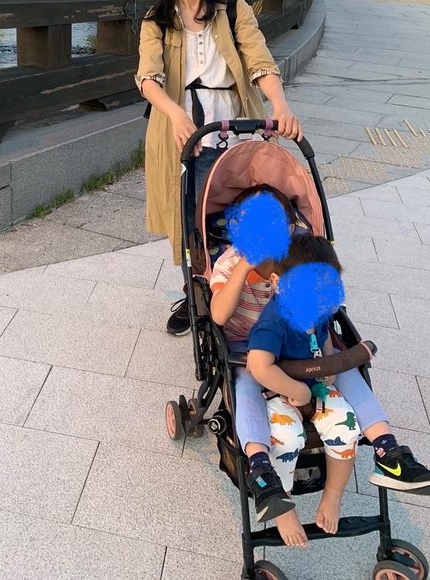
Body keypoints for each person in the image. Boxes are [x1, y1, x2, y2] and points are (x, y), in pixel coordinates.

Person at [210, 198, 430, 546]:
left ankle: (388, 450)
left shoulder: (298, 256)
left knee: (345, 370)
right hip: (250, 347)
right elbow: (220, 317)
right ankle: (264, 473)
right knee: (248, 388)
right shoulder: (232, 262)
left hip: (304, 347)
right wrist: (244, 266)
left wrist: (328, 363)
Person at [135, 0, 302, 336]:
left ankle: (248, 289)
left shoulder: (234, 9)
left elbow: (260, 61)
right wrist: (176, 114)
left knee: (241, 215)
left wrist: (280, 105)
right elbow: (148, 78)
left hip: (234, 130)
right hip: (181, 134)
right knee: (191, 222)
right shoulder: (158, 18)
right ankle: (196, 295)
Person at [247, 235, 360, 548]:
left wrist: (330, 368)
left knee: (347, 427)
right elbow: (258, 365)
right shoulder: (275, 320)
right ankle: (282, 506)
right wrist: (295, 389)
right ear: (278, 284)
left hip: (316, 386)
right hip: (279, 390)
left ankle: (333, 495)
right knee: (285, 439)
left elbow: (324, 342)